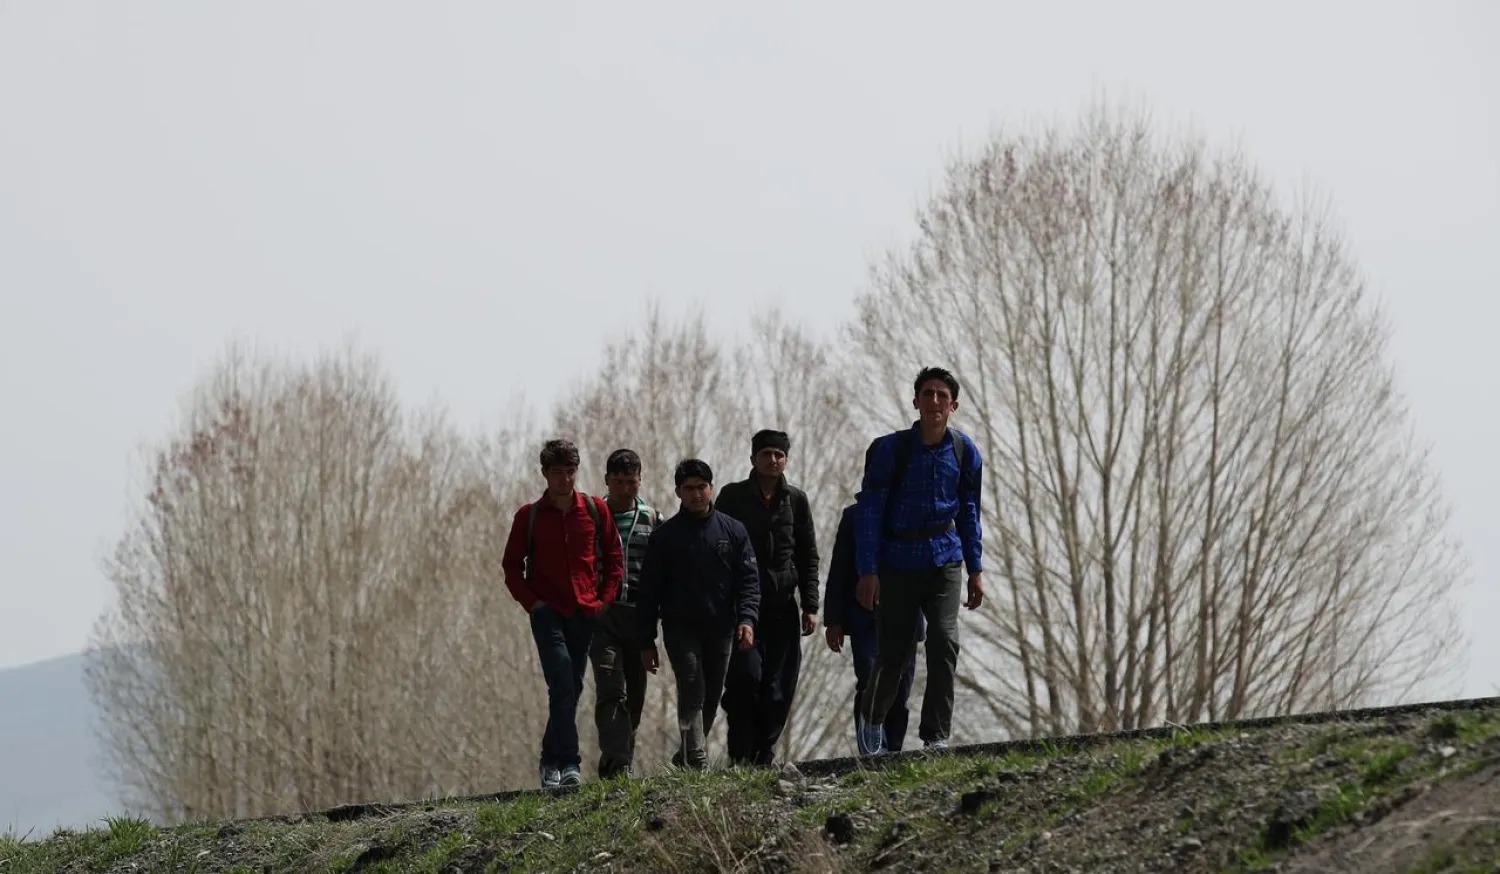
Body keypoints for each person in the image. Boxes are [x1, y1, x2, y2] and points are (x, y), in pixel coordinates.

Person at [854, 367, 985, 756]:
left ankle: (936, 735)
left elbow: (970, 511)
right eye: (928, 394)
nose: (934, 402)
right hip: (897, 562)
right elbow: (869, 511)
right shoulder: (890, 450)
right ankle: (872, 718)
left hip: (945, 559)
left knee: (944, 640)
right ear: (916, 402)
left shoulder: (964, 451)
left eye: (942, 396)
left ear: (953, 405)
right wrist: (868, 570)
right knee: (894, 653)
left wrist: (976, 569)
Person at [501, 439, 625, 789]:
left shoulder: (595, 510)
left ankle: (549, 761)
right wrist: (533, 604)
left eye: (570, 471)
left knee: (570, 687)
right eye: (558, 472)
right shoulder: (529, 516)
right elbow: (511, 567)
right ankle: (570, 763)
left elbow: (614, 558)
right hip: (547, 612)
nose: (565, 479)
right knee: (562, 682)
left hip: (584, 611)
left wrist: (604, 600)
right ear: (545, 473)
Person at [636, 458, 761, 770]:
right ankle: (697, 758)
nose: (696, 494)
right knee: (692, 685)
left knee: (712, 693)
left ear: (711, 488)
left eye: (701, 487)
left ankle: (688, 753)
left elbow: (749, 581)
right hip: (680, 629)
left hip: (722, 628)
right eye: (688, 488)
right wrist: (646, 641)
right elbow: (649, 592)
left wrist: (747, 619)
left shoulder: (733, 531)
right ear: (678, 492)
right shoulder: (665, 537)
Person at [714, 429, 820, 767]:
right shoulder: (732, 497)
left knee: (778, 689)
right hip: (742, 610)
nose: (772, 460)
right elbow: (718, 549)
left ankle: (764, 755)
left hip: (782, 608)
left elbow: (808, 555)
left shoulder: (796, 500)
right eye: (766, 454)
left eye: (779, 454)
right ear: (753, 458)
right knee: (745, 681)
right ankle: (739, 754)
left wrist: (811, 605)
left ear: (785, 459)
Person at [588, 449, 666, 779]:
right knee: (610, 688)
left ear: (640, 481)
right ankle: (618, 761)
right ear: (607, 480)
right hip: (603, 617)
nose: (624, 489)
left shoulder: (652, 519)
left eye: (630, 482)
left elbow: (664, 568)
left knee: (634, 694)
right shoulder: (593, 516)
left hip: (639, 617)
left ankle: (617, 760)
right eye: (618, 482)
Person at [823, 501, 924, 754]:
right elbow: (839, 568)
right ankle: (871, 751)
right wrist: (833, 620)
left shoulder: (915, 510)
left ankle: (893, 752)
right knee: (870, 680)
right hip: (864, 616)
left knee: (901, 688)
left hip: (907, 615)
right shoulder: (853, 516)